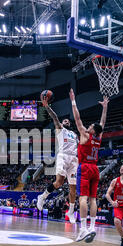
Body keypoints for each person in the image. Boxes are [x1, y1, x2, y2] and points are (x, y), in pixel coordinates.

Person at [70, 88, 108, 242]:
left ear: (92, 129)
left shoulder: (85, 135)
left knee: (82, 199)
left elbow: (77, 118)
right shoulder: (98, 137)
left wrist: (73, 100)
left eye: (91, 126)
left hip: (85, 167)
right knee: (93, 199)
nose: (89, 126)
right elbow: (102, 123)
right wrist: (104, 107)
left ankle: (84, 229)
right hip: (95, 169)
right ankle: (93, 227)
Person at [36, 94, 79, 224]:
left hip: (74, 159)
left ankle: (71, 211)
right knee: (59, 182)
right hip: (63, 156)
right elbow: (54, 117)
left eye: (67, 121)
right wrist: (47, 106)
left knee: (73, 188)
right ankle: (42, 197)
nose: (66, 121)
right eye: (64, 120)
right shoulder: (60, 130)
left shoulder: (74, 134)